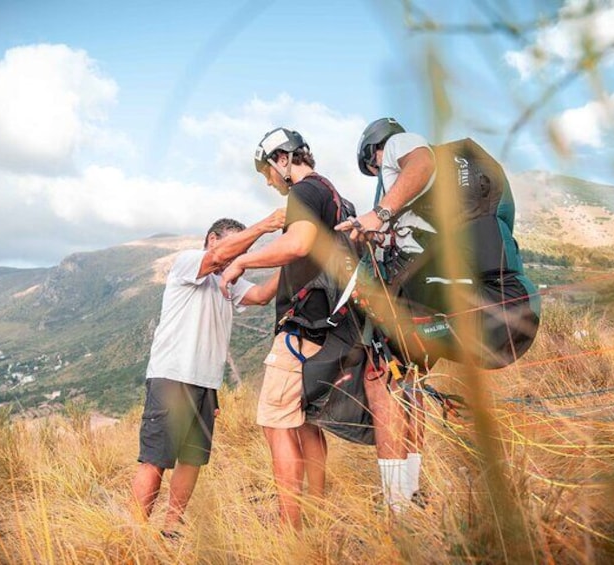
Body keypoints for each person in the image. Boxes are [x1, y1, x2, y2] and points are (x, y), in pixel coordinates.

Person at [336, 117, 541, 512]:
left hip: (451, 302)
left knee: (382, 381)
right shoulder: (435, 203)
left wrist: (378, 214)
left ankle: (396, 504)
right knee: (407, 385)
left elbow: (421, 163)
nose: (379, 174)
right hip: (467, 302)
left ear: (374, 150)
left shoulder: (399, 146)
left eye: (373, 167)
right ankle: (412, 493)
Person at [218, 127, 354, 530]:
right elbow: (279, 282)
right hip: (330, 331)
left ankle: (290, 526)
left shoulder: (304, 192)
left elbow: (296, 245)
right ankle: (316, 509)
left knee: (276, 424)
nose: (268, 181)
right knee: (309, 424)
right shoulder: (336, 199)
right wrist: (246, 292)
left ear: (282, 159)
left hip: (301, 331)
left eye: (267, 171)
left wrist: (242, 261)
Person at [131, 213, 284, 536]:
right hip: (173, 377)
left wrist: (294, 262)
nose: (237, 257)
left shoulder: (226, 280)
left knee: (192, 459)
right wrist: (267, 225)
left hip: (206, 383)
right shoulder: (190, 262)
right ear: (213, 239)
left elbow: (261, 296)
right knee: (156, 459)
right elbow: (217, 258)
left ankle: (171, 529)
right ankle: (134, 532)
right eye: (235, 247)